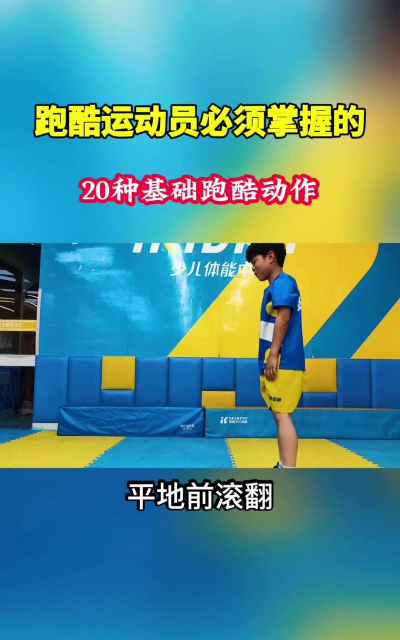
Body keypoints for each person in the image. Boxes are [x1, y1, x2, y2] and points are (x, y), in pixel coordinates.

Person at [246, 243, 305, 468]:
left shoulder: (283, 282)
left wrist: (273, 355)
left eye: (255, 262)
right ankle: (284, 464)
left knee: (283, 416)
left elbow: (283, 317)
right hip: (278, 361)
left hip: (284, 362)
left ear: (270, 257)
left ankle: (289, 469)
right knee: (279, 416)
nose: (253, 268)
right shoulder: (275, 287)